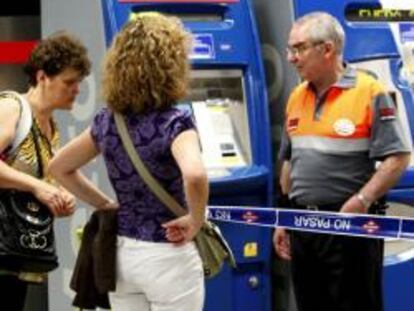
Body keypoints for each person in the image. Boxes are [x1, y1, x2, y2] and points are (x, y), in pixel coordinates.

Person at [48, 12, 208, 311]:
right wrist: (195, 220)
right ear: (171, 66)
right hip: (168, 255)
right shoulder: (176, 122)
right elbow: (196, 175)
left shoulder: (107, 121)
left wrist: (106, 204)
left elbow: (59, 167)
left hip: (122, 256)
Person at [273, 12, 411, 311]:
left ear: (327, 49)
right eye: (289, 49)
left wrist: (361, 201)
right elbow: (288, 163)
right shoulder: (297, 96)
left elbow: (398, 157)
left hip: (350, 226)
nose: (291, 58)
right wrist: (283, 218)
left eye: (298, 48)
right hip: (304, 226)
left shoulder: (369, 92)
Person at [0, 31, 91, 311]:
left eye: (78, 82)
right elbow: (33, 182)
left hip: (14, 254)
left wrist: (58, 195)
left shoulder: (51, 126)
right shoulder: (11, 107)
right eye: (69, 82)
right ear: (42, 77)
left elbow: (36, 180)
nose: (76, 89)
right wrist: (38, 186)